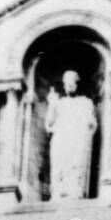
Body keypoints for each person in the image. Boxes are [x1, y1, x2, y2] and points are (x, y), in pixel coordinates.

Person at [45, 69, 98, 201]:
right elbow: (49, 124)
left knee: (76, 165)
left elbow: (92, 124)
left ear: (77, 83)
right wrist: (51, 104)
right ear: (63, 84)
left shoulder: (85, 102)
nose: (69, 84)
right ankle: (58, 192)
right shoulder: (59, 103)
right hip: (61, 139)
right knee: (60, 167)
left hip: (78, 139)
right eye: (67, 82)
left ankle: (76, 191)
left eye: (72, 81)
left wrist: (85, 131)